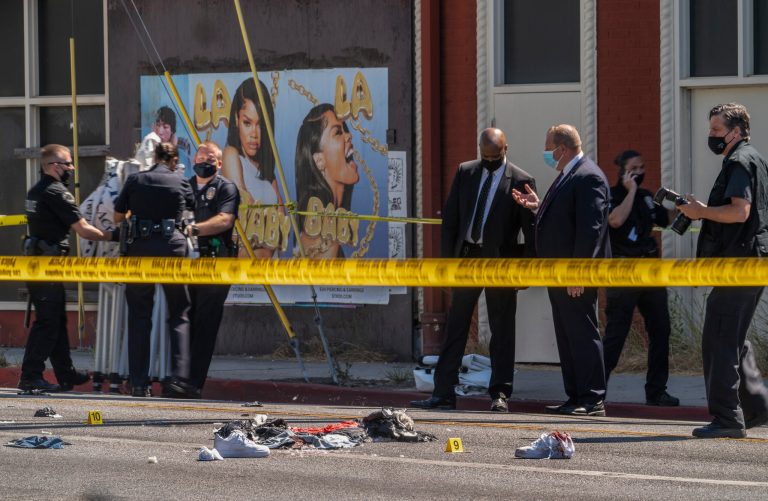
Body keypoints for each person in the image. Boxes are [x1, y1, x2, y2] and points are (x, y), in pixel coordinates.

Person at [410, 128, 536, 412]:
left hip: (500, 262)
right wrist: (447, 264)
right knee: (456, 325)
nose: (489, 162)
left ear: (506, 149)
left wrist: (527, 270)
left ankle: (500, 393)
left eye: (495, 157)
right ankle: (443, 393)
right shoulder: (466, 172)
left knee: (502, 329)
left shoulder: (521, 180)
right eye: (485, 156)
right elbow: (451, 220)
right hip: (467, 256)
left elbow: (530, 231)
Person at [677, 103, 768, 438]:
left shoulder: (740, 162)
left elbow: (739, 212)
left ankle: (728, 418)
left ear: (736, 131)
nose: (711, 136)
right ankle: (756, 407)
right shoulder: (754, 158)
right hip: (751, 262)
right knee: (734, 337)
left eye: (716, 130)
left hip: (739, 263)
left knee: (720, 338)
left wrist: (701, 212)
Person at [512, 124, 611, 416]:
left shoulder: (588, 176)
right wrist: (537, 206)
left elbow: (590, 230)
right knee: (567, 335)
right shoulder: (568, 174)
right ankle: (575, 396)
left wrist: (577, 272)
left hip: (574, 273)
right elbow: (566, 217)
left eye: (549, 148)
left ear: (562, 149)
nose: (546, 154)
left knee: (582, 332)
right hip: (557, 273)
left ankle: (592, 398)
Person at [19, 144, 111, 392]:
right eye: (68, 163)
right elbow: (83, 229)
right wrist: (112, 236)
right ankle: (30, 375)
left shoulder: (35, 191)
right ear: (54, 166)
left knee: (56, 321)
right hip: (47, 266)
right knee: (48, 323)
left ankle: (66, 374)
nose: (72, 168)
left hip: (39, 264)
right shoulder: (56, 192)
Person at [113, 142, 196, 398]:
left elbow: (117, 217)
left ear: (154, 157)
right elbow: (192, 207)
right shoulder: (181, 181)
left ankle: (139, 383)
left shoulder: (136, 180)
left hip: (141, 249)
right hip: (173, 248)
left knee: (139, 315)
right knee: (179, 312)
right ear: (174, 160)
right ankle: (178, 379)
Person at [603, 150, 679, 407]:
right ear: (622, 171)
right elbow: (615, 221)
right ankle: (595, 391)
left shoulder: (647, 197)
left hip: (650, 271)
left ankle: (656, 391)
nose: (639, 172)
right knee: (617, 333)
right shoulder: (612, 196)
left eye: (642, 167)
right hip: (623, 272)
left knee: (661, 330)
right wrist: (631, 191)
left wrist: (682, 208)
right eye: (633, 168)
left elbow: (665, 220)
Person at [185, 141, 240, 396]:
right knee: (183, 321)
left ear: (219, 163)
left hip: (215, 264)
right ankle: (177, 376)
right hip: (185, 265)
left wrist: (193, 229)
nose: (204, 162)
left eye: (210, 159)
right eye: (200, 158)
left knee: (204, 324)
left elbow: (225, 220)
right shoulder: (184, 187)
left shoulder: (226, 188)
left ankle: (193, 383)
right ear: (193, 160)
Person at [221, 78, 282, 258]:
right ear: (236, 120)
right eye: (247, 123)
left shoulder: (267, 173)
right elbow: (246, 217)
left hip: (270, 267)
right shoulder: (231, 155)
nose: (254, 134)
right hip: (247, 266)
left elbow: (281, 224)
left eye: (260, 125)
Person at [294, 103, 360, 258]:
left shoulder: (330, 224)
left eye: (345, 130)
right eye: (338, 132)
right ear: (319, 161)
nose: (349, 136)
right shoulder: (318, 235)